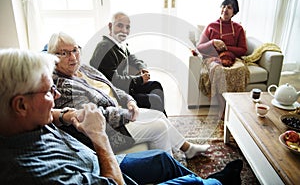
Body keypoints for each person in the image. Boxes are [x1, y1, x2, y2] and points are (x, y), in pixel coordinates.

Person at [0, 48, 244, 185]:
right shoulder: (36, 173)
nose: (54, 94)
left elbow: (107, 86)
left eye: (75, 49)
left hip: (95, 159)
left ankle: (203, 178)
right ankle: (216, 183)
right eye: (48, 91)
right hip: (104, 168)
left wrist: (64, 114)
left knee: (161, 158)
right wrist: (99, 137)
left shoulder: (24, 120)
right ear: (20, 105)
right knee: (190, 182)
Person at [47, 31, 210, 158]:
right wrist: (127, 113)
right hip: (108, 130)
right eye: (64, 53)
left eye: (75, 50)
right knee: (159, 127)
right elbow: (93, 117)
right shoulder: (64, 87)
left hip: (119, 113)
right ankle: (168, 170)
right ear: (53, 57)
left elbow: (111, 87)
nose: (73, 57)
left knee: (159, 115)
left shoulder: (83, 69)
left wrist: (130, 101)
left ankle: (186, 149)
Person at [90, 12, 167, 115]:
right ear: (110, 26)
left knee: (156, 86)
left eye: (127, 27)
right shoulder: (105, 48)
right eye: (120, 25)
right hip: (116, 95)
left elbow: (132, 58)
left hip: (126, 87)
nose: (124, 30)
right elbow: (114, 80)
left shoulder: (120, 44)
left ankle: (161, 119)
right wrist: (139, 79)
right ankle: (158, 122)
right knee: (154, 100)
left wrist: (141, 67)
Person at [196, 0, 248, 119]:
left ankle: (234, 106)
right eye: (223, 6)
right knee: (219, 70)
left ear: (234, 12)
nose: (225, 9)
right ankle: (223, 107)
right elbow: (199, 47)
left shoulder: (238, 28)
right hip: (213, 58)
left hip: (232, 58)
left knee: (240, 70)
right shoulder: (211, 26)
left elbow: (243, 50)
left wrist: (225, 47)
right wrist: (213, 42)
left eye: (229, 7)